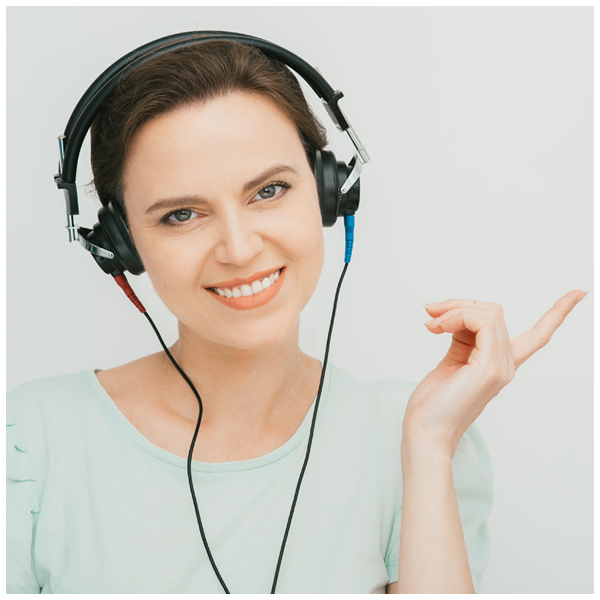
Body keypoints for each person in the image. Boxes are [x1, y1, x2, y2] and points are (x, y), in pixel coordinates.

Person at [6, 34, 587, 594]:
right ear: (119, 244)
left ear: (329, 190)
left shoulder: (413, 437)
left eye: (268, 191)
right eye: (182, 214)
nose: (238, 249)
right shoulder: (28, 442)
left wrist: (430, 445)